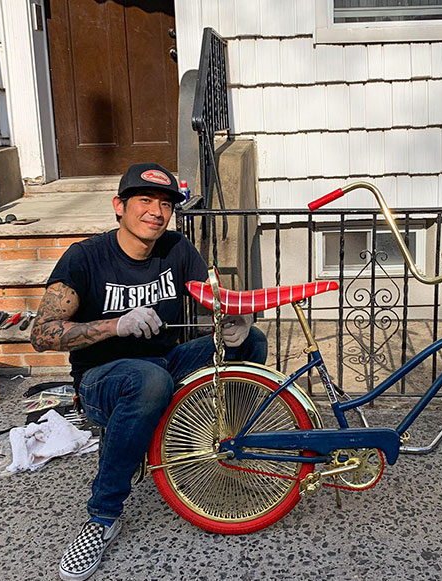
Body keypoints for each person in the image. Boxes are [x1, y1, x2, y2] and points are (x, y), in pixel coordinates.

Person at [30, 162, 267, 581]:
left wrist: (236, 321)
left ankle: (220, 446)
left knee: (253, 343)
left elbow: (214, 300)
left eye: (164, 204)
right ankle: (102, 516)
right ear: (119, 206)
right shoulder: (86, 257)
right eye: (144, 201)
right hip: (103, 380)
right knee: (147, 380)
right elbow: (43, 334)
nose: (156, 212)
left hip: (163, 364)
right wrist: (113, 324)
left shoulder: (176, 249)